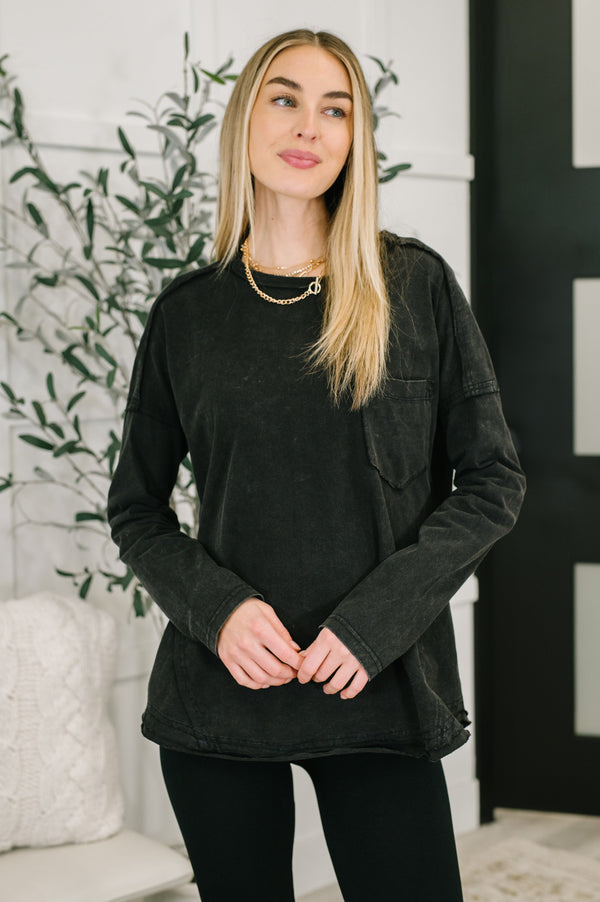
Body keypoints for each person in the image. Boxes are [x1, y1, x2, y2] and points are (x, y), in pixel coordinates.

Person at [107, 28, 525, 902]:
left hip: (375, 686)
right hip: (220, 692)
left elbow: (491, 482)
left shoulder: (415, 287)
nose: (310, 127)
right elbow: (137, 508)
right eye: (285, 98)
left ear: (356, 137)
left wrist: (375, 623)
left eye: (336, 109)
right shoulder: (188, 314)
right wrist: (217, 610)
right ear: (246, 120)